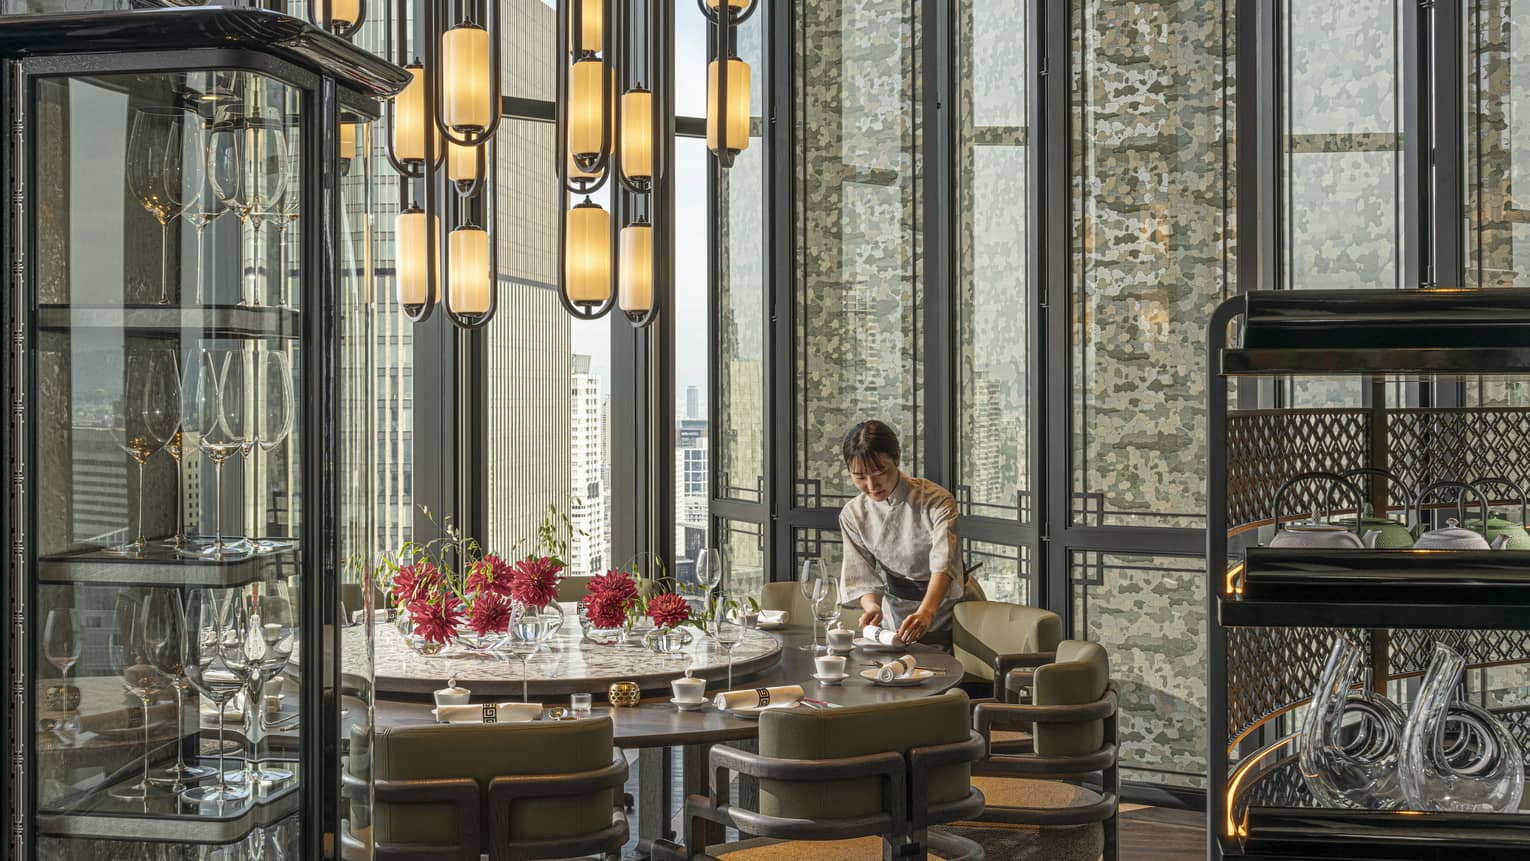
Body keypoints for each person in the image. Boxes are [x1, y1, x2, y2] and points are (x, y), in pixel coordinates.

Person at [837, 420, 983, 647]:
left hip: (951, 606)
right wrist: (873, 607)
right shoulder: (853, 514)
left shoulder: (936, 500)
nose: (872, 485)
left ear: (897, 457)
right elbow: (861, 576)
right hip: (897, 610)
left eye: (880, 472)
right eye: (860, 477)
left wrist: (926, 612)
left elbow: (943, 565)